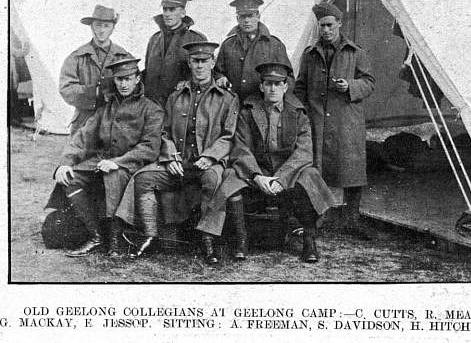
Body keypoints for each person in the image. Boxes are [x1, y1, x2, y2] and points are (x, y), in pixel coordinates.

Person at [119, 42, 239, 264]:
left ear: (213, 63)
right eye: (195, 61)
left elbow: (229, 136)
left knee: (213, 179)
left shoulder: (227, 98)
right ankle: (151, 234)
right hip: (179, 162)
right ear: (189, 64)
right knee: (144, 178)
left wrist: (211, 156)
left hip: (207, 163)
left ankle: (207, 240)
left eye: (204, 61)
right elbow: (163, 132)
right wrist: (170, 156)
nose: (200, 67)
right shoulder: (176, 96)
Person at [208, 62, 342, 263]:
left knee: (310, 176)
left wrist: (282, 178)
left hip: (287, 172)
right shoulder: (248, 112)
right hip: (258, 171)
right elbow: (241, 148)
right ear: (261, 86)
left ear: (285, 87)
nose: (272, 89)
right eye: (268, 84)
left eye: (278, 84)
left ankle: (309, 240)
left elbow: (304, 152)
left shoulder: (297, 113)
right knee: (230, 176)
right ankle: (241, 240)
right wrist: (257, 175)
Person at [49, 58, 165, 257]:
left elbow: (150, 147)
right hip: (104, 159)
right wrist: (65, 163)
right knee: (71, 178)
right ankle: (96, 236)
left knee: (114, 176)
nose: (124, 84)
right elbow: (83, 137)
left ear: (138, 79)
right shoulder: (107, 109)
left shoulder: (151, 109)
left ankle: (115, 242)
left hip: (133, 164)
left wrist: (117, 162)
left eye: (128, 79)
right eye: (119, 80)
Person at [294, 2, 376, 238]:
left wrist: (350, 85)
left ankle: (352, 219)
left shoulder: (355, 52)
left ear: (339, 24)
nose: (326, 30)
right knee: (317, 170)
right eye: (322, 26)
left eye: (330, 25)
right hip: (317, 121)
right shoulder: (309, 55)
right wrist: (301, 113)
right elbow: (300, 86)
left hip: (346, 122)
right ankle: (318, 218)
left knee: (351, 170)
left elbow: (370, 82)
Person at [59, 5, 131, 135]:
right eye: (98, 25)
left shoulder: (123, 57)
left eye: (106, 26)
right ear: (91, 27)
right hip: (84, 121)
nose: (102, 30)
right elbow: (66, 89)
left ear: (113, 28)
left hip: (114, 121)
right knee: (78, 153)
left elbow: (134, 87)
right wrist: (94, 92)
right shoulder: (77, 57)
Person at [215, 0, 295, 101]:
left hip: (262, 106)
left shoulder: (274, 45)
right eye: (242, 16)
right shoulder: (228, 45)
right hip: (233, 105)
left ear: (258, 16)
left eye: (250, 16)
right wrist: (220, 78)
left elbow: (289, 79)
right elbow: (217, 72)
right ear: (237, 18)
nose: (246, 20)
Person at [143, 0, 208, 105]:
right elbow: (147, 72)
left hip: (182, 105)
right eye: (165, 9)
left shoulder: (196, 39)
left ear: (182, 13)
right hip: (153, 106)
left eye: (172, 9)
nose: (167, 14)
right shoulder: (154, 40)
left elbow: (205, 74)